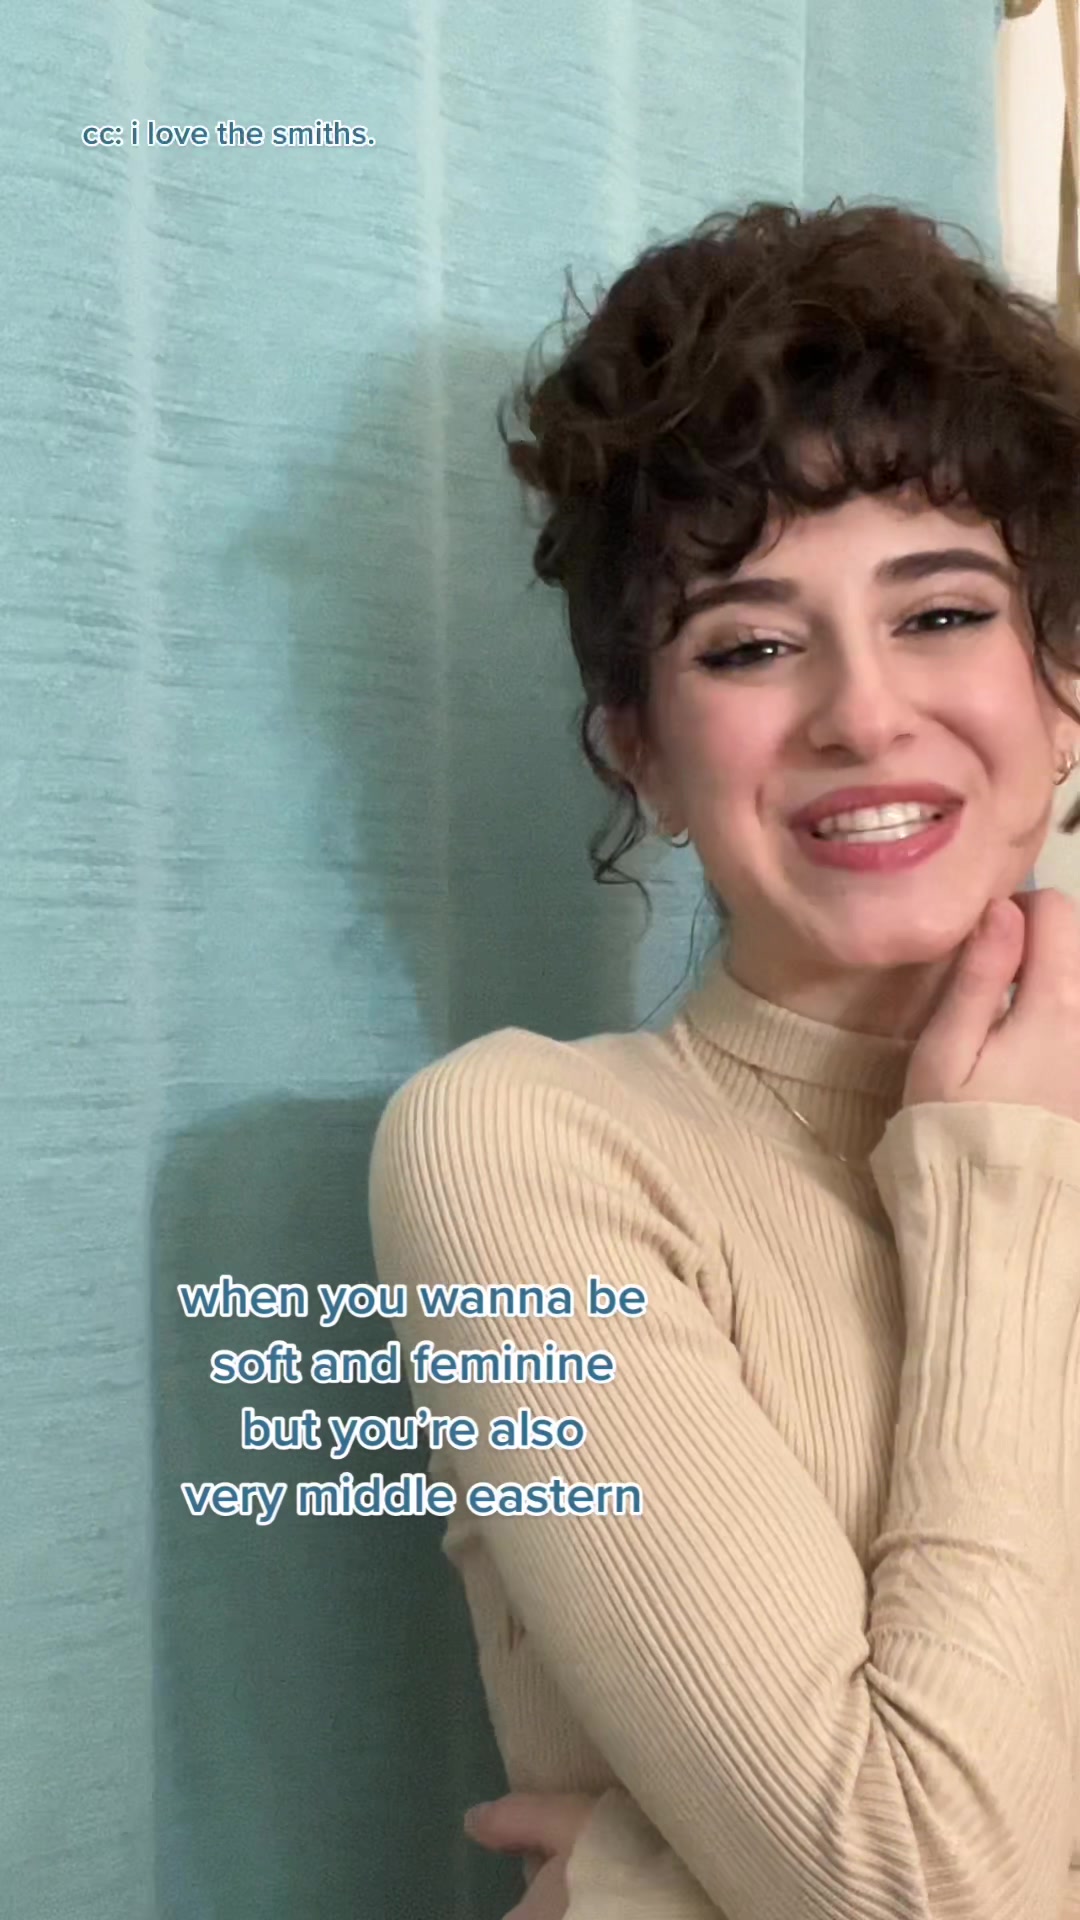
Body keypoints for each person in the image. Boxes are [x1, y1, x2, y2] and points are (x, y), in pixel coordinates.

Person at [367, 198, 1080, 1920]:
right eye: (751, 645)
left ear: (1064, 677)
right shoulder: (524, 1158)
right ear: (641, 752)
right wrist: (1002, 1187)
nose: (865, 714)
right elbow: (925, 1891)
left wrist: (650, 1886)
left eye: (943, 613)